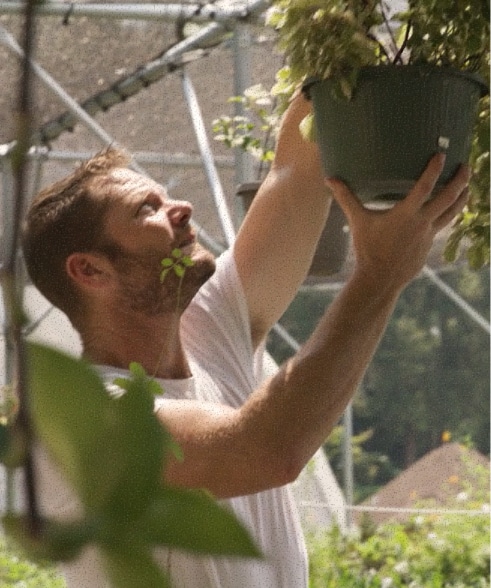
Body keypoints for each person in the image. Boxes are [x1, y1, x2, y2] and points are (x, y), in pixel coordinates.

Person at [22, 92, 470, 587]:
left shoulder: (210, 327)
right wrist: (381, 273)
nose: (182, 206)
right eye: (146, 208)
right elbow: (265, 451)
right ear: (91, 269)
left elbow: (296, 174)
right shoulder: (85, 420)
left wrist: (341, 40)